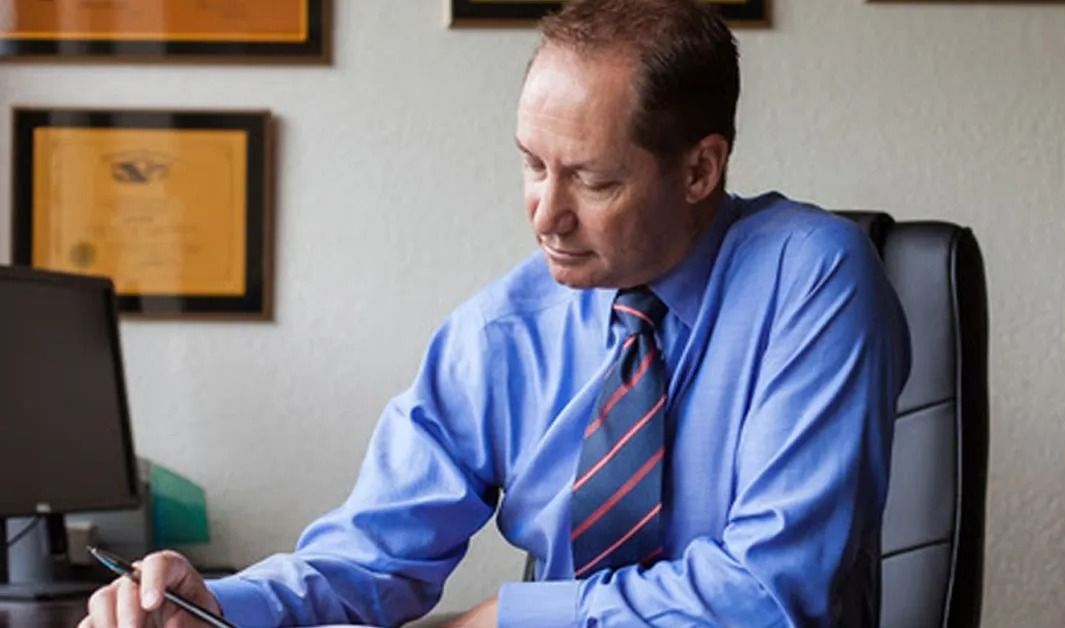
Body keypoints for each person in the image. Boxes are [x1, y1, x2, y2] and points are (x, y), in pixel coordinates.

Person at [80, 0, 910, 626]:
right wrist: (216, 607)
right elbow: (370, 555)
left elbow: (770, 593)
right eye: (532, 166)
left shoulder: (815, 278)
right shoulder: (504, 329)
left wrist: (512, 618)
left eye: (592, 180)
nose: (545, 215)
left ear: (699, 170)